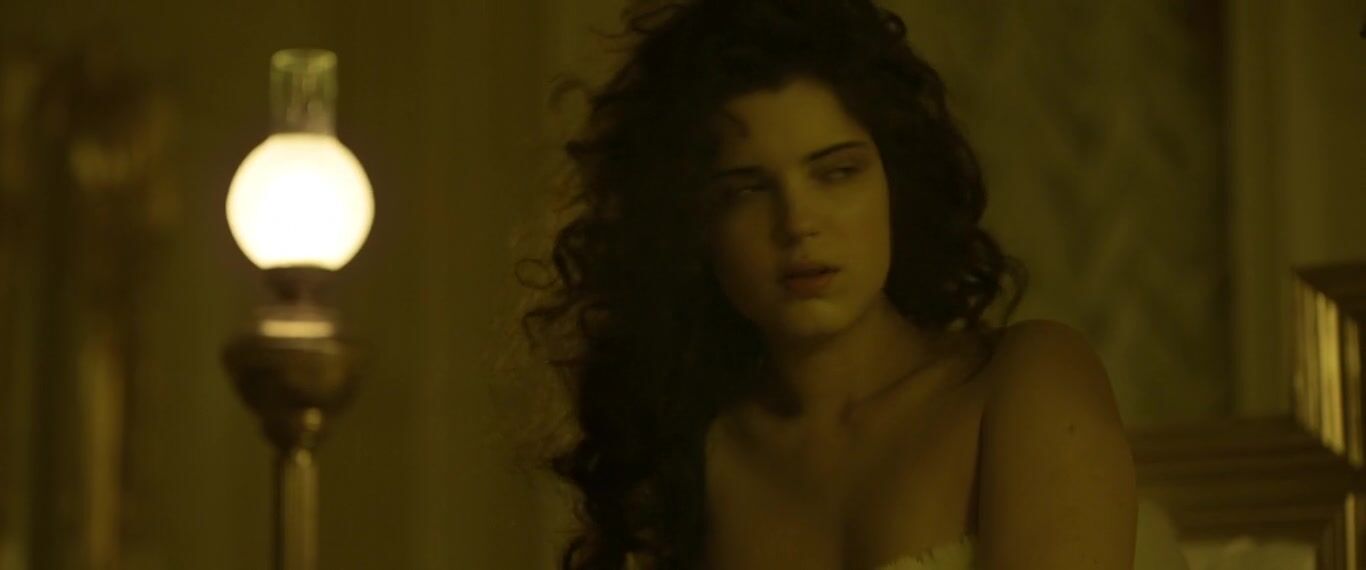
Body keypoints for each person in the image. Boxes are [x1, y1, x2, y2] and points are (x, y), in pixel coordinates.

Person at [513, 0, 1137, 568]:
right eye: (747, 190)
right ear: (690, 228)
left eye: (837, 172)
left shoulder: (1019, 381)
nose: (798, 224)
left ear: (895, 183)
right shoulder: (689, 459)